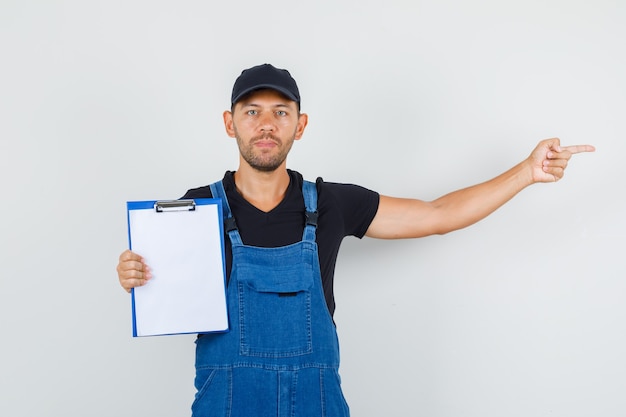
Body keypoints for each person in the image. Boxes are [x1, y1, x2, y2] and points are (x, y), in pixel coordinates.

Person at [116, 63, 595, 416]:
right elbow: (164, 292)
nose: (266, 124)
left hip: (316, 404)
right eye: (252, 111)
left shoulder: (331, 204)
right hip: (226, 404)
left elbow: (437, 214)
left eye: (280, 112)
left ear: (299, 126)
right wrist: (137, 273)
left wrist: (526, 173)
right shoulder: (196, 209)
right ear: (230, 122)